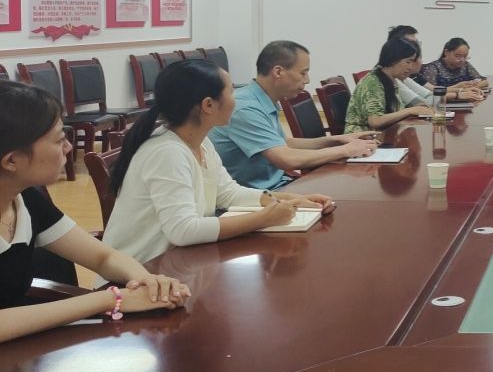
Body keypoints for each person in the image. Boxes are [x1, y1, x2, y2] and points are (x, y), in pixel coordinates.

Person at [0, 81, 190, 343]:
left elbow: (103, 257)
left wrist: (147, 284)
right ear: (11, 160)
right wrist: (111, 299)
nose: (68, 148)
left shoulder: (25, 199)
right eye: (59, 140)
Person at [103, 60, 334, 267]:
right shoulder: (167, 152)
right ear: (208, 105)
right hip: (141, 274)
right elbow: (183, 230)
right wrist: (264, 218)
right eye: (232, 92)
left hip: (179, 265)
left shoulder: (200, 142)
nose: (237, 99)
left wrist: (290, 199)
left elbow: (228, 194)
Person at [210, 40, 378, 189]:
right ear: (278, 72)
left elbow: (281, 143)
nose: (307, 80)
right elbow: (286, 159)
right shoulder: (245, 107)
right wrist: (345, 150)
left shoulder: (263, 99)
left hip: (279, 184)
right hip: (258, 196)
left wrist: (337, 140)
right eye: (303, 73)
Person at [345, 38, 440, 133]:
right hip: (362, 136)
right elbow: (375, 121)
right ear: (393, 60)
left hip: (384, 132)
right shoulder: (373, 82)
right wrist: (410, 111)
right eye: (408, 62)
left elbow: (395, 111)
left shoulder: (391, 80)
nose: (410, 67)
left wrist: (418, 108)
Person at [387, 27, 482, 105]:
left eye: (417, 43)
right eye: (412, 43)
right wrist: (458, 94)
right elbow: (423, 102)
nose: (416, 47)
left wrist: (461, 90)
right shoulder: (390, 76)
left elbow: (431, 92)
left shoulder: (407, 77)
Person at [420, 37, 488, 92]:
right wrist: (460, 89)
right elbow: (431, 92)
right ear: (446, 52)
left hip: (464, 99)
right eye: (457, 56)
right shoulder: (433, 68)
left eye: (465, 56)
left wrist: (472, 86)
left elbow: (485, 82)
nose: (462, 60)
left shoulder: (465, 65)